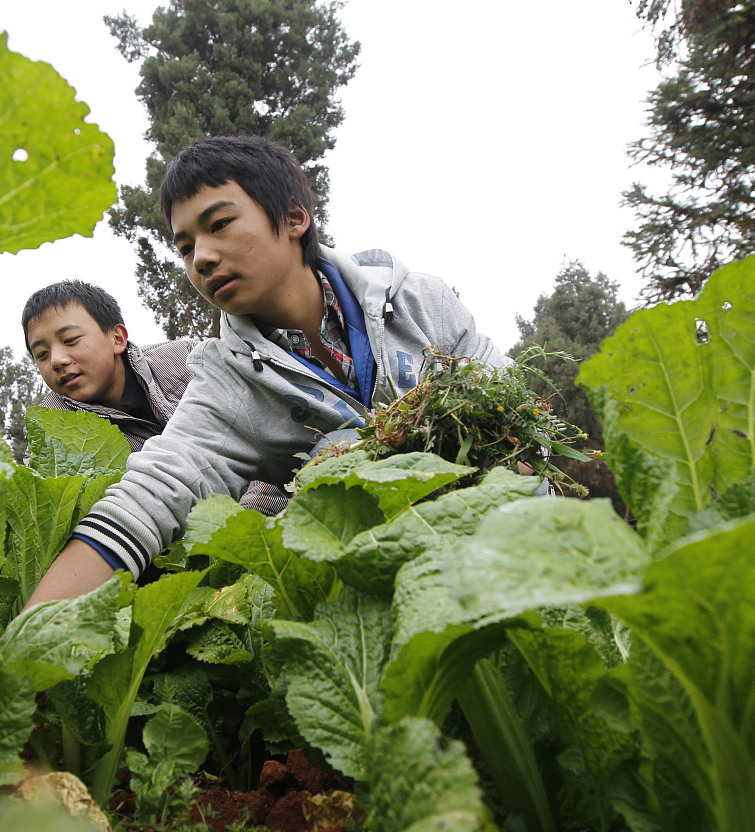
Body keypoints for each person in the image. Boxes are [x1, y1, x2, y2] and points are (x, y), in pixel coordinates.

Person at [26, 136, 506, 606]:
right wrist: (33, 631)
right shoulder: (229, 385)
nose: (202, 258)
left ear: (294, 218)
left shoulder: (417, 302)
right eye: (186, 248)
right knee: (332, 455)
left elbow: (509, 401)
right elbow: (150, 496)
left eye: (220, 224)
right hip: (395, 598)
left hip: (513, 542)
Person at [22, 279, 288, 515]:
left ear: (117, 338)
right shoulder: (48, 435)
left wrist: (250, 518)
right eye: (42, 354)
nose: (56, 360)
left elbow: (267, 425)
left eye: (70, 340)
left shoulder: (186, 359)